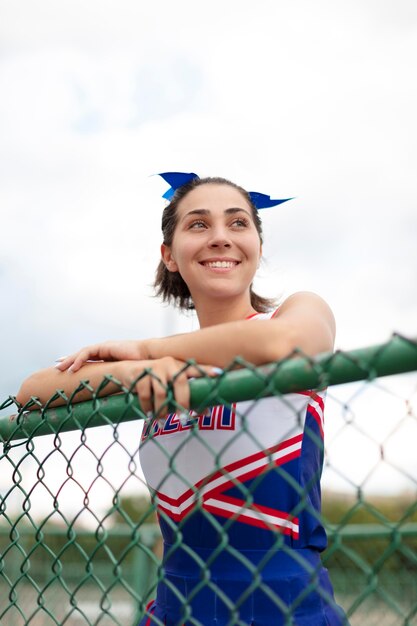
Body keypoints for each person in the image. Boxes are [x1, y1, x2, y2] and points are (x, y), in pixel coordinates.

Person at [17, 174, 348, 625]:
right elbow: (32, 391)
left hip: (287, 609)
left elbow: (286, 344)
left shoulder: (296, 312)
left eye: (237, 223)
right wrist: (143, 371)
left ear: (257, 246)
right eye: (198, 225)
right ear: (169, 256)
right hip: (175, 611)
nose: (219, 238)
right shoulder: (158, 364)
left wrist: (154, 351)